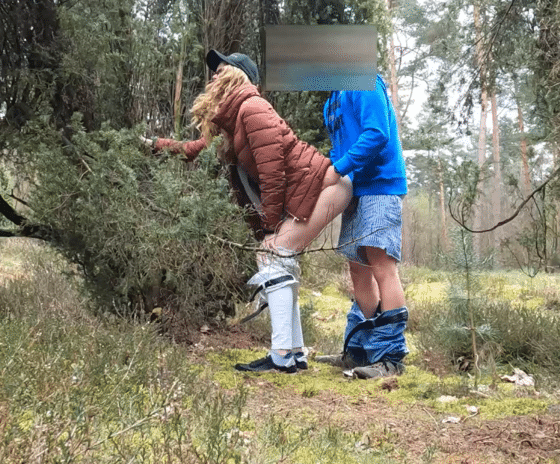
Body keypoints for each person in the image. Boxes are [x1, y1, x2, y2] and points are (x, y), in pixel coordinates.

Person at [145, 50, 353, 373]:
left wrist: (269, 226)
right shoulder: (231, 124)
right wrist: (153, 145)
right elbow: (192, 150)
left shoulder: (252, 108)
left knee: (274, 251)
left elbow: (273, 172)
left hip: (330, 187)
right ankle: (294, 354)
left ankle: (282, 356)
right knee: (276, 256)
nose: (214, 75)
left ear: (237, 76)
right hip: (317, 189)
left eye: (221, 69)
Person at [316, 73, 409, 379]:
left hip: (380, 185)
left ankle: (391, 357)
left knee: (382, 264)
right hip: (355, 189)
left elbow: (377, 132)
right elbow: (339, 147)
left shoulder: (362, 79)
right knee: (358, 269)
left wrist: (339, 169)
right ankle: (361, 351)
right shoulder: (332, 97)